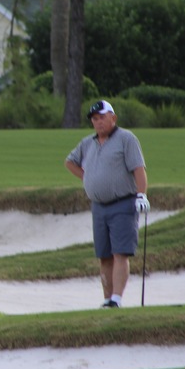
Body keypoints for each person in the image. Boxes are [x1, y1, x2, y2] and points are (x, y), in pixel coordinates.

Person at [65, 100, 150, 308]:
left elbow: (138, 169)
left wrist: (141, 195)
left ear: (113, 117)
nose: (98, 122)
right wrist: (88, 177)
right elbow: (69, 161)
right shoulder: (88, 143)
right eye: (94, 119)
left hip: (122, 203)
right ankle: (107, 299)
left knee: (120, 252)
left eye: (102, 117)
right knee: (104, 255)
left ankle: (117, 299)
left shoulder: (126, 139)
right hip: (99, 206)